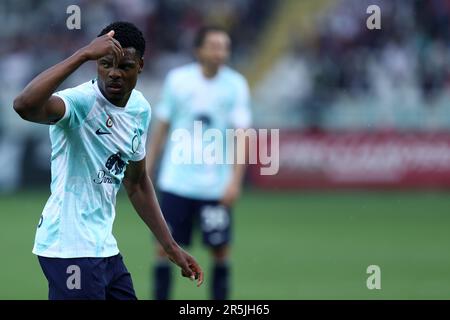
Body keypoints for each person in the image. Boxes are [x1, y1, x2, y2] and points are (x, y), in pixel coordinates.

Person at [13, 21, 203, 300]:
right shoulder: (80, 103)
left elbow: (136, 183)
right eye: (105, 64)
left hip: (104, 249)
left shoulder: (139, 109)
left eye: (124, 66)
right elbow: (24, 105)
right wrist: (82, 54)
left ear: (140, 65)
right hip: (69, 249)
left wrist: (171, 246)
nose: (113, 74)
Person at [147, 26, 252, 300]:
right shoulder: (178, 80)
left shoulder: (236, 84)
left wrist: (235, 181)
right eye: (214, 46)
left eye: (224, 47)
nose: (220, 52)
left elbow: (242, 135)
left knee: (220, 250)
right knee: (164, 248)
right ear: (199, 50)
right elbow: (162, 127)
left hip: (215, 187)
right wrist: (147, 167)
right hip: (176, 182)